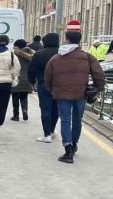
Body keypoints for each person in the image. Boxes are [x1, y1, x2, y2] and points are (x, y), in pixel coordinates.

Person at [45, 20, 106, 163]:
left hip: (62, 94)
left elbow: (48, 77)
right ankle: (74, 144)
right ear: (79, 41)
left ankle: (68, 150)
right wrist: (97, 89)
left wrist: (52, 90)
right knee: (77, 120)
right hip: (81, 93)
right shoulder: (87, 57)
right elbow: (99, 75)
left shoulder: (56, 58)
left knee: (65, 120)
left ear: (66, 39)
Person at [28, 33, 61, 142]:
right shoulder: (62, 53)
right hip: (59, 85)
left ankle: (46, 134)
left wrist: (32, 82)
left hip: (44, 84)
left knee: (46, 109)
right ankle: (51, 130)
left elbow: (31, 69)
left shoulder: (39, 54)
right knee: (55, 109)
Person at [10, 39, 35, 121]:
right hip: (27, 78)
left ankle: (16, 116)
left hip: (16, 78)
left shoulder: (13, 55)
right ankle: (24, 110)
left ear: (17, 46)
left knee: (15, 97)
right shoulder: (32, 55)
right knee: (24, 97)